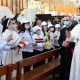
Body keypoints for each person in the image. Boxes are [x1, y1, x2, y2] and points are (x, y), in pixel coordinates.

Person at [58, 16, 75, 80]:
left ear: (70, 21)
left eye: (67, 20)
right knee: (63, 66)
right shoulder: (62, 30)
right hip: (63, 51)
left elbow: (76, 42)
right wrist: (62, 44)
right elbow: (59, 40)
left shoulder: (74, 29)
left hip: (70, 51)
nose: (65, 21)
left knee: (69, 66)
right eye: (64, 20)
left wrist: (68, 44)